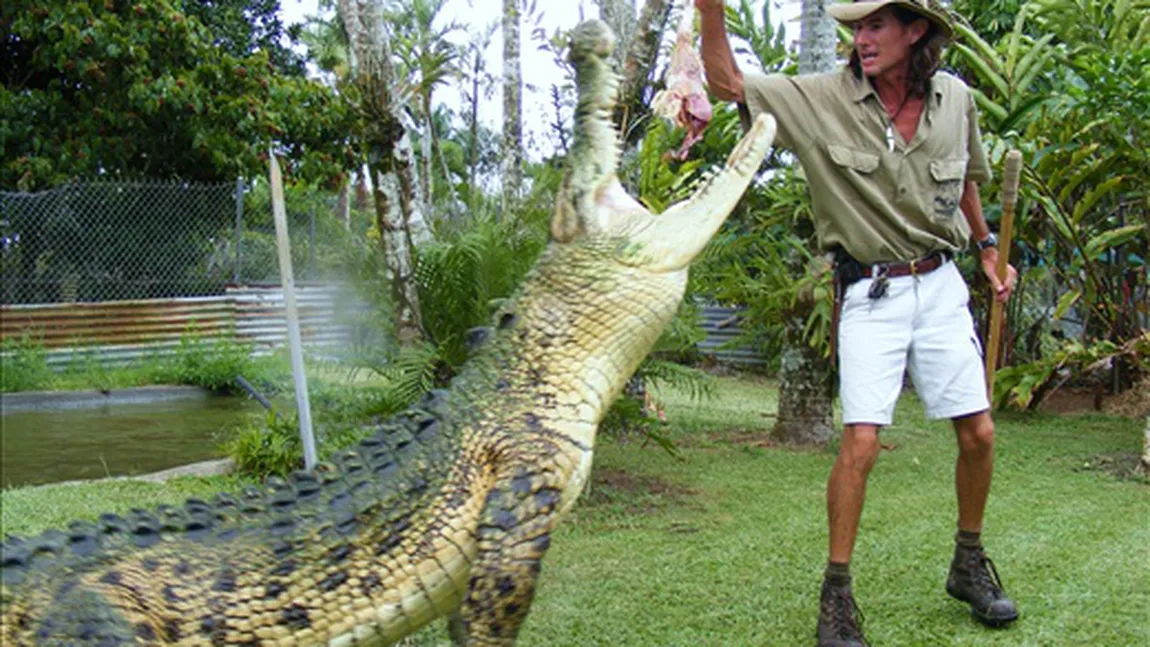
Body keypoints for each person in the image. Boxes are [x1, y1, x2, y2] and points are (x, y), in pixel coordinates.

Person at [694, 0, 1020, 644]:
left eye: (876, 26)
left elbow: (969, 179)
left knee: (979, 433)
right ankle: (836, 595)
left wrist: (986, 248)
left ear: (915, 30)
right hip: (871, 292)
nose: (862, 40)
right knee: (862, 444)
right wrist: (710, 11)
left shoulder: (955, 99)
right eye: (856, 29)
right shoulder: (821, 99)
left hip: (942, 282)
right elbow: (727, 82)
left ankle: (968, 563)